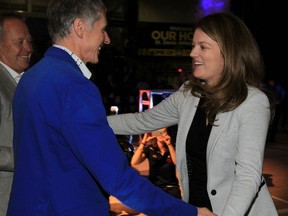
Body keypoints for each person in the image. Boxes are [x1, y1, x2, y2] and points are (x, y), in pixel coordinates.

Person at [7, 0, 215, 216]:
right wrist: (190, 213)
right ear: (79, 28)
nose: (106, 39)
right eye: (103, 30)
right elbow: (118, 180)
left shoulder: (30, 78)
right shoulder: (75, 87)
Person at [108, 12, 278, 216]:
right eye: (193, 45)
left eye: (203, 47)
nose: (192, 53)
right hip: (198, 209)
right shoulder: (189, 93)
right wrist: (84, 121)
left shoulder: (252, 101)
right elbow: (141, 120)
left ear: (229, 52)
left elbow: (248, 176)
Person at [0, 13, 33, 216]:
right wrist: (29, 156)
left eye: (29, 41)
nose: (28, 48)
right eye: (19, 42)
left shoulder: (26, 82)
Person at [131, 128, 181, 198]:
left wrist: (169, 145)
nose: (161, 134)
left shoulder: (172, 148)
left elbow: (177, 163)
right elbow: (134, 162)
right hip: (155, 186)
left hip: (171, 186)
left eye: (163, 132)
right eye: (158, 132)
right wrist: (143, 142)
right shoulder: (150, 149)